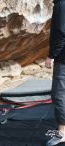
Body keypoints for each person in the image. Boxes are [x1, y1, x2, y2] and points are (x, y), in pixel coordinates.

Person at [45, 0, 65, 145]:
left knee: (59, 93)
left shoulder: (62, 5)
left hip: (63, 58)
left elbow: (60, 32)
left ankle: (63, 132)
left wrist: (51, 55)